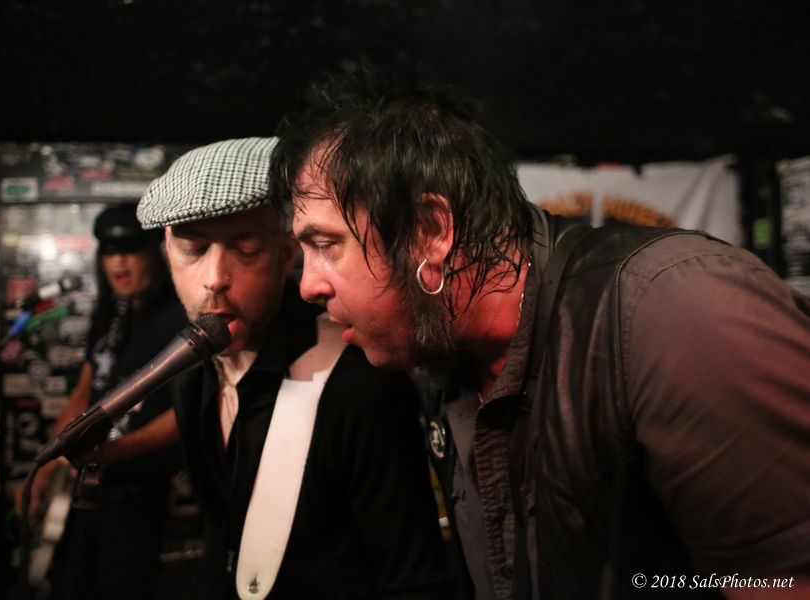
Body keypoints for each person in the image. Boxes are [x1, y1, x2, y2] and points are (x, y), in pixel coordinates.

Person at [269, 66, 810, 600]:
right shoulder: (440, 352)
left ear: (429, 230)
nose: (308, 285)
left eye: (326, 245)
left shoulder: (676, 310)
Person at [135, 137, 449, 599]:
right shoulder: (191, 374)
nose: (214, 278)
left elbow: (414, 579)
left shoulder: (358, 382)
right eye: (193, 250)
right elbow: (225, 536)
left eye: (245, 248)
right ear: (167, 252)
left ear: (286, 254)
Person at [15, 204, 188, 600]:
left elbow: (190, 411)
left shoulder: (178, 316)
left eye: (130, 250)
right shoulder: (107, 315)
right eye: (109, 252)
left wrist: (117, 451)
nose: (119, 262)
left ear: (154, 253)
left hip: (137, 497)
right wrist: (45, 469)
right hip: (83, 493)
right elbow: (82, 395)